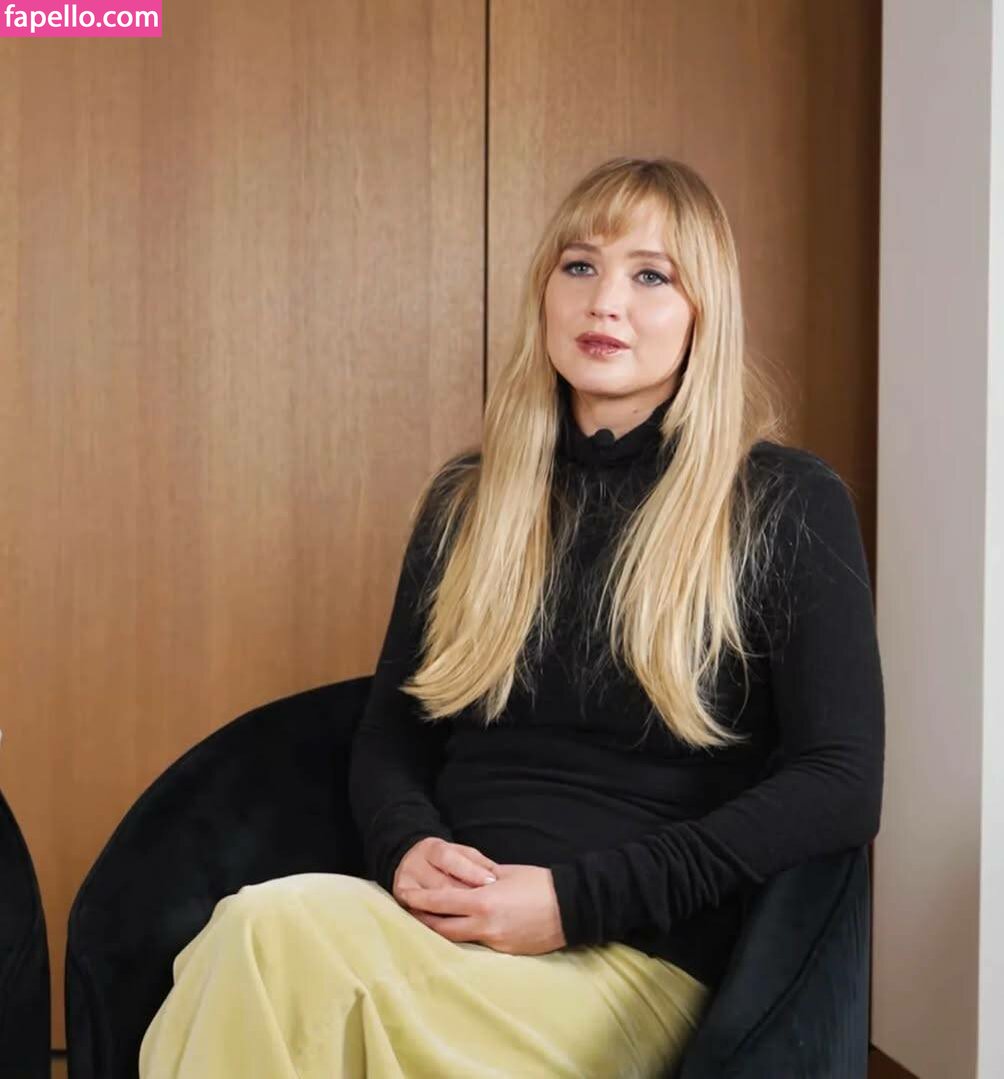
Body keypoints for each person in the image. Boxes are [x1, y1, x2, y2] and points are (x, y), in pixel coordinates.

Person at [139, 156, 885, 1078]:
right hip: (440, 940)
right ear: (545, 292)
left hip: (632, 969)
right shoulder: (470, 500)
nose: (605, 301)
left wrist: (574, 902)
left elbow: (841, 779)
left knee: (267, 942)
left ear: (706, 312)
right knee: (250, 938)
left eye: (651, 275)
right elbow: (394, 730)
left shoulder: (783, 502)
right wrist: (407, 845)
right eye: (581, 265)